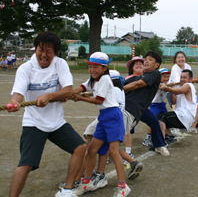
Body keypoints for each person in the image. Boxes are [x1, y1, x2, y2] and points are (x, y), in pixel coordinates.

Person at [7, 31, 87, 197]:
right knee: (26, 163)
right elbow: (18, 94)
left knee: (80, 148)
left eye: (48, 51)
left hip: (56, 122)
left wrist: (50, 96)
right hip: (34, 122)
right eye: (40, 49)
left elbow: (67, 90)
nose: (43, 55)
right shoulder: (25, 69)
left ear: (55, 53)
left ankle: (66, 190)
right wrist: (15, 102)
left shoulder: (60, 64)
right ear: (35, 49)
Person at [71, 52, 131, 197]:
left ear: (104, 68)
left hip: (113, 116)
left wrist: (80, 99)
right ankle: (86, 183)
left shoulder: (104, 79)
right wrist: (62, 95)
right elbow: (80, 88)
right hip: (104, 117)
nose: (92, 70)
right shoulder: (94, 79)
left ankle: (123, 187)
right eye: (90, 66)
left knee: (113, 151)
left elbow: (99, 100)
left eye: (96, 67)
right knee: (92, 150)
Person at [123, 51, 169, 156]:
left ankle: (159, 145)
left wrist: (121, 88)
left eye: (150, 59)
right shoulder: (133, 77)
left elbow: (138, 84)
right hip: (129, 107)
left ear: (157, 65)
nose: (146, 61)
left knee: (154, 121)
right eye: (146, 59)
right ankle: (112, 151)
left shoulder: (155, 74)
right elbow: (131, 83)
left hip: (140, 108)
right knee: (120, 129)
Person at [157, 69, 197, 137]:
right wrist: (172, 88)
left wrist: (166, 88)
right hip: (183, 116)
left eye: (185, 77)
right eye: (181, 77)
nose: (182, 79)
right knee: (162, 118)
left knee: (160, 118)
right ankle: (170, 137)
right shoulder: (183, 89)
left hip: (184, 115)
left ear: (191, 79)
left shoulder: (189, 85)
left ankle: (161, 143)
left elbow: (178, 91)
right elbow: (173, 102)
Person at [123, 56, 144, 163]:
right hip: (128, 108)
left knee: (128, 129)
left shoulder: (147, 78)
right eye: (136, 64)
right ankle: (128, 151)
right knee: (127, 129)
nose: (139, 65)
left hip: (139, 108)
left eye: (141, 64)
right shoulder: (128, 79)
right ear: (132, 68)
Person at [143, 68, 171, 146]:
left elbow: (166, 90)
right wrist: (163, 86)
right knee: (153, 120)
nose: (166, 78)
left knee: (166, 120)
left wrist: (167, 86)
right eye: (164, 77)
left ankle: (166, 135)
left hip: (162, 105)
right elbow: (158, 87)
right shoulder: (156, 84)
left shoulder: (165, 84)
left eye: (167, 76)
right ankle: (147, 138)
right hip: (154, 105)